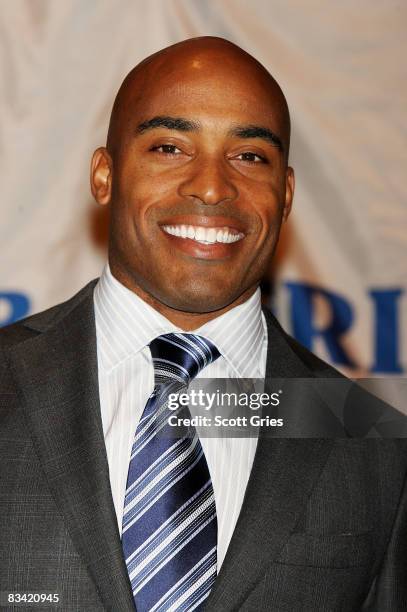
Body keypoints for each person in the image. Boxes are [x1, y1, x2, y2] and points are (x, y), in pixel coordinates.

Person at [0, 36, 406, 612]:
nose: (213, 186)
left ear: (285, 194)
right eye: (169, 147)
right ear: (104, 176)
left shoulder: (374, 445)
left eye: (249, 156)